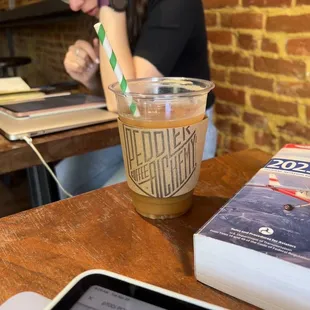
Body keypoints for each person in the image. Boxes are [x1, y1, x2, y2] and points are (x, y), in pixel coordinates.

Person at [56, 0, 217, 199]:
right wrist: (90, 78)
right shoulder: (117, 9)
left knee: (113, 201)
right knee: (66, 178)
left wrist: (110, 6)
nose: (74, 5)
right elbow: (119, 97)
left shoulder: (174, 4)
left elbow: (130, 100)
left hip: (181, 137)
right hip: (129, 130)